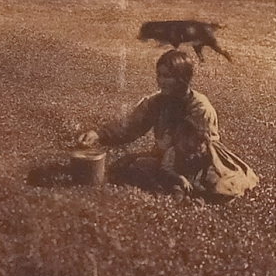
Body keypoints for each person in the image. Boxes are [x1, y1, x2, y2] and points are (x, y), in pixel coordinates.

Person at [77, 49, 258, 201]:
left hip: (200, 160)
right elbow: (129, 127)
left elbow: (198, 150)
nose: (162, 81)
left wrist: (168, 168)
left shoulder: (200, 108)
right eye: (160, 75)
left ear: (184, 79)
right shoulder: (156, 102)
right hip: (168, 157)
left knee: (213, 185)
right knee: (129, 166)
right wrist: (99, 134)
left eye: (169, 76)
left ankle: (175, 185)